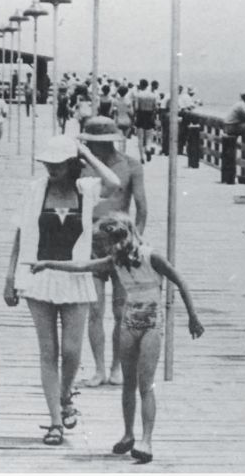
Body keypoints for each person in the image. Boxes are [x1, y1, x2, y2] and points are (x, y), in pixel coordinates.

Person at [28, 212, 204, 462]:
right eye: (107, 244)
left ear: (126, 235)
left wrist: (193, 317)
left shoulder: (151, 256)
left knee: (146, 384)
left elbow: (181, 282)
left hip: (152, 323)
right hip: (129, 322)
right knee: (128, 385)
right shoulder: (115, 261)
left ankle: (147, 440)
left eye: (112, 242)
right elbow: (82, 266)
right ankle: (128, 434)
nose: (111, 247)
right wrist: (48, 263)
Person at [3, 135, 123, 446]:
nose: (51, 169)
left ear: (71, 165)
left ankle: (66, 394)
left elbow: (114, 183)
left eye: (58, 164)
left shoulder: (86, 190)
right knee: (48, 352)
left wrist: (83, 151)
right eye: (48, 164)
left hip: (75, 277)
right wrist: (9, 277)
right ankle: (55, 421)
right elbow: (20, 233)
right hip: (38, 274)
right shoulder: (34, 191)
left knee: (71, 351)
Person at [78, 117, 148, 388]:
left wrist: (135, 240)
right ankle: (98, 369)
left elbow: (141, 208)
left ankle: (117, 367)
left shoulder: (131, 165)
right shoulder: (82, 167)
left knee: (121, 310)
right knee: (94, 310)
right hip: (91, 243)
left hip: (121, 242)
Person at [133, 79, 157, 163]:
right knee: (149, 137)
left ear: (140, 85)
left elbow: (136, 108)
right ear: (147, 85)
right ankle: (148, 148)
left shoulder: (138, 95)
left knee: (140, 138)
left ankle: (141, 157)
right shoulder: (153, 95)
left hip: (140, 115)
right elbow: (155, 107)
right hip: (149, 115)